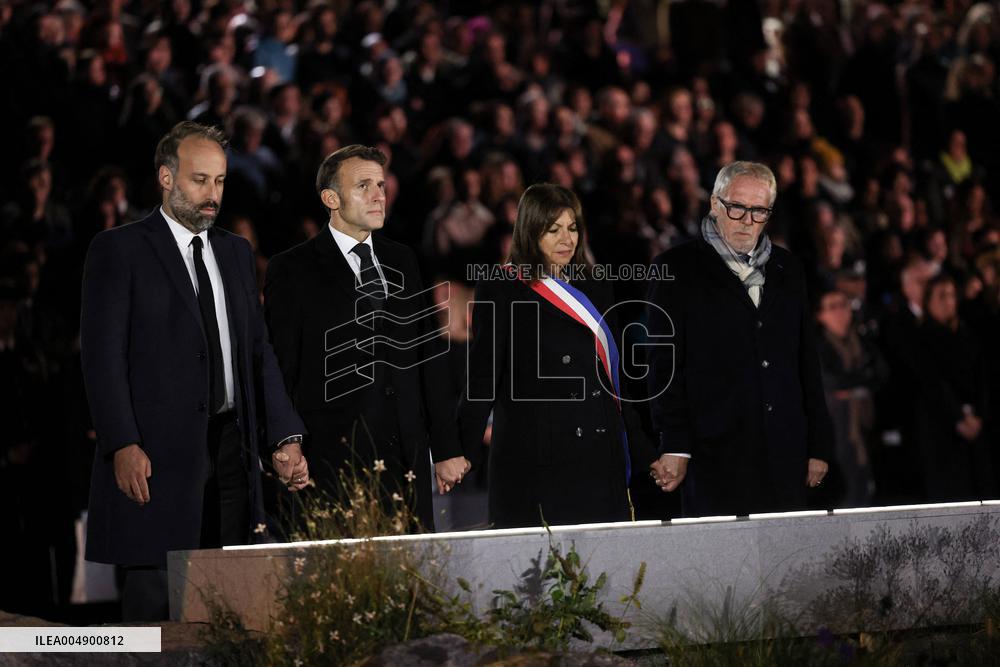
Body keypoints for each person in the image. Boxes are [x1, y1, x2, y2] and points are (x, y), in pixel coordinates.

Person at [80, 122, 307, 621]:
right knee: (155, 608)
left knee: (231, 604)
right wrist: (122, 443)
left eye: (220, 181)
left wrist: (284, 434)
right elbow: (101, 358)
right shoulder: (119, 249)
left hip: (232, 452)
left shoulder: (236, 251)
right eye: (199, 180)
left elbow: (258, 351)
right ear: (166, 178)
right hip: (155, 456)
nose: (212, 194)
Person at [264, 145, 468, 530]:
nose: (378, 195)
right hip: (331, 465)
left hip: (406, 462)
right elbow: (280, 369)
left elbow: (428, 355)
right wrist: (283, 443)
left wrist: (446, 446)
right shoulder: (291, 269)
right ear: (331, 199)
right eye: (363, 186)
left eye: (381, 185)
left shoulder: (403, 259)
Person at [457, 183, 658, 528]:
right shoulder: (502, 288)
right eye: (554, 230)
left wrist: (643, 451)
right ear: (530, 231)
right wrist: (459, 450)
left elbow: (614, 383)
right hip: (539, 463)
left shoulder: (596, 285)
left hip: (600, 457)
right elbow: (482, 379)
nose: (567, 239)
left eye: (572, 228)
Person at [646, 161, 833, 516]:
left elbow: (806, 361)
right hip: (713, 454)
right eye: (737, 207)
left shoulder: (788, 268)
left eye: (759, 210)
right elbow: (663, 366)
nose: (747, 220)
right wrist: (675, 444)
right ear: (715, 204)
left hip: (784, 451)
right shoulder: (675, 268)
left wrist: (818, 443)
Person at [914, 273, 996, 502]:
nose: (948, 302)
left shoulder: (968, 333)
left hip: (975, 426)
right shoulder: (921, 338)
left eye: (951, 295)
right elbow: (932, 382)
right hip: (942, 430)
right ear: (928, 301)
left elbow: (982, 377)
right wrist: (958, 417)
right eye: (941, 296)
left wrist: (979, 416)